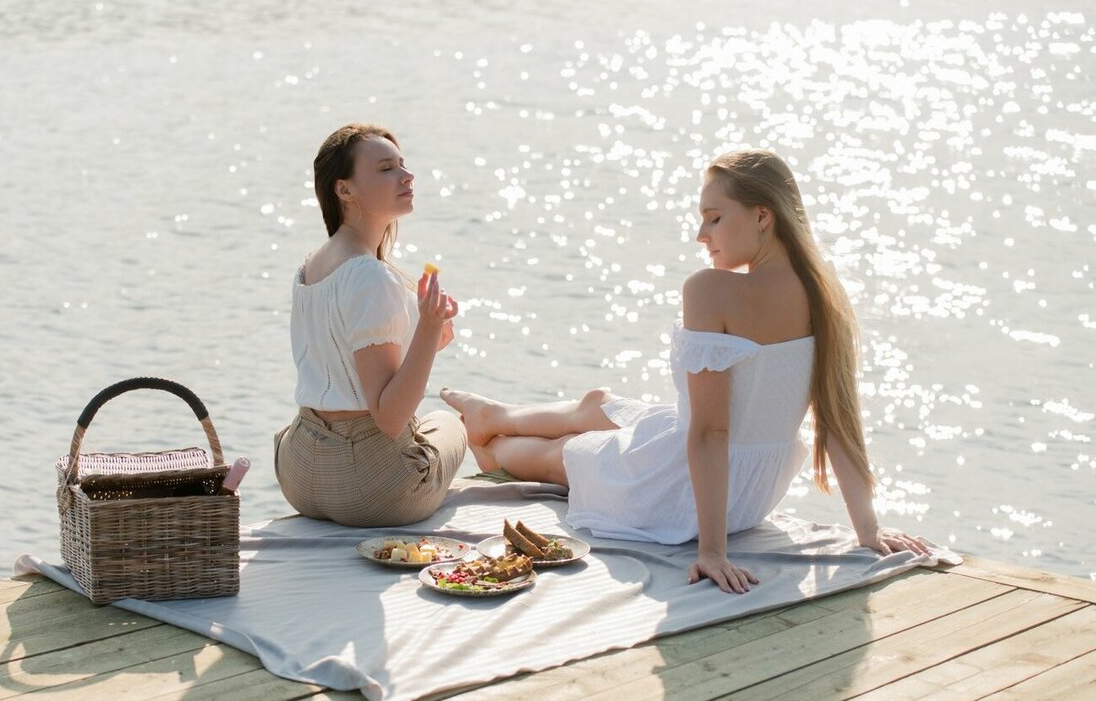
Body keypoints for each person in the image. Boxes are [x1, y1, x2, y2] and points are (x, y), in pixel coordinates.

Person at [442, 149, 930, 593]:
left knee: (566, 453)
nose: (702, 235)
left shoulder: (711, 290)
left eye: (714, 218)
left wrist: (712, 551)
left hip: (681, 495)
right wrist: (867, 528)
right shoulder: (824, 290)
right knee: (600, 405)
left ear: (763, 216)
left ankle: (490, 444)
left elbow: (712, 432)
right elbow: (838, 421)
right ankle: (494, 414)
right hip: (753, 494)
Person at [274, 123, 467, 527]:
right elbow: (390, 417)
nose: (406, 176)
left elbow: (341, 361)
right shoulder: (370, 276)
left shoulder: (311, 264)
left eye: (402, 165)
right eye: (386, 169)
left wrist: (422, 334)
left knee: (428, 423)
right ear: (344, 190)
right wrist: (428, 328)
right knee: (450, 423)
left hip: (299, 473)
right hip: (369, 489)